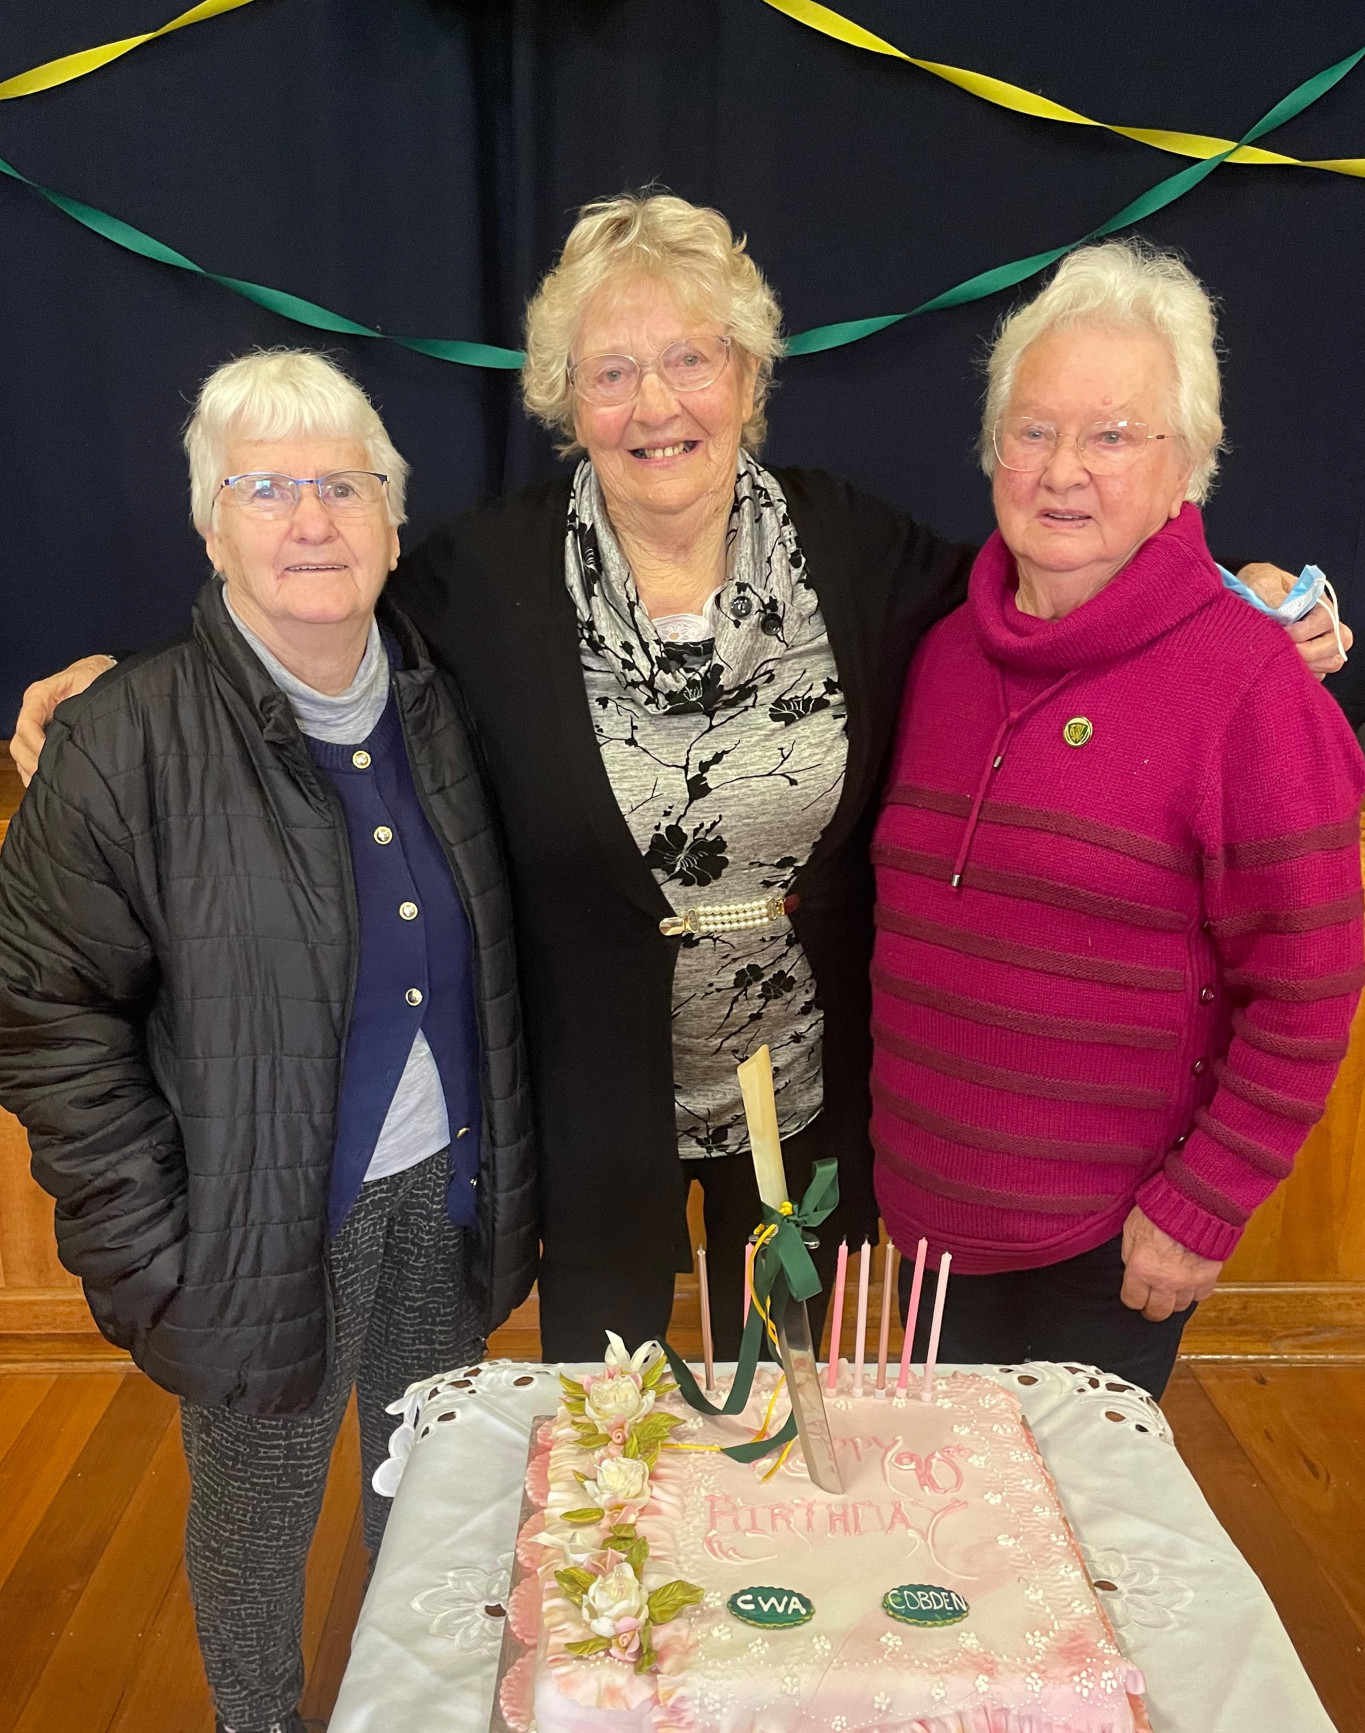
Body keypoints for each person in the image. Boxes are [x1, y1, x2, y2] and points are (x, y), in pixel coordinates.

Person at [8, 195, 1344, 1366]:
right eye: (613, 372)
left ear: (751, 378)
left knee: (808, 1433)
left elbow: (1056, 607)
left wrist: (1248, 597)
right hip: (598, 1126)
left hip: (822, 1117)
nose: (656, 404)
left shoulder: (858, 553)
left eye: (691, 359)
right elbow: (316, 620)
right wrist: (134, 699)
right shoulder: (482, 580)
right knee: (620, 1456)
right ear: (563, 399)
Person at [0, 351, 536, 1733]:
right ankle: (259, 1716)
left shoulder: (443, 705)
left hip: (443, 1182)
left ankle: (419, 1682)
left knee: (424, 1459)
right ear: (212, 527)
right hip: (241, 1221)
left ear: (388, 513)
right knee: (258, 1489)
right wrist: (146, 1248)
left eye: (342, 483)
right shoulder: (124, 742)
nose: (311, 518)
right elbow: (41, 1015)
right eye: (268, 486)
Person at [871, 241, 1365, 1397]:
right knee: (938, 1549)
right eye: (1033, 430)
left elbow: (1310, 979)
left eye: (1110, 435)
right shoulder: (942, 651)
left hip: (1108, 1247)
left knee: (1072, 1560)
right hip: (924, 1232)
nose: (1062, 470)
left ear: (1187, 463)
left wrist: (1206, 1202)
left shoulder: (1247, 681)